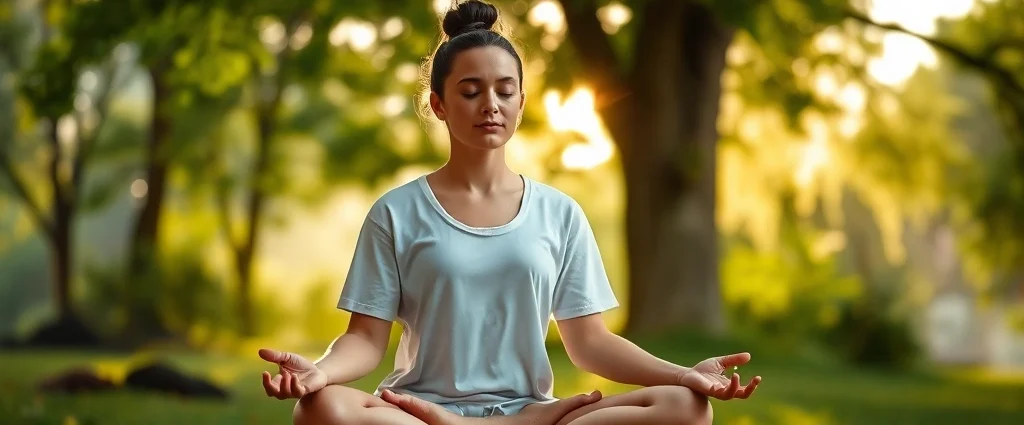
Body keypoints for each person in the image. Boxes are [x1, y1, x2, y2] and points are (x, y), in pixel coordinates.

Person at [258, 1, 761, 424]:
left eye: (504, 90)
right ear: (438, 104)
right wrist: (318, 372)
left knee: (686, 408)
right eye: (471, 92)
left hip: (530, 413)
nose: (490, 105)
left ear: (521, 101)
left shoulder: (560, 214)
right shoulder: (396, 213)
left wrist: (682, 374)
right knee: (319, 408)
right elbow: (366, 341)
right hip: (419, 413)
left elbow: (589, 343)